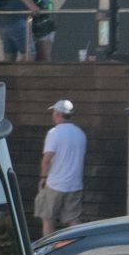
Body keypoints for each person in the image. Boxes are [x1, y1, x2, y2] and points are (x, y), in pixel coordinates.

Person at [33, 99, 86, 233]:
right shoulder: (80, 133)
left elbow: (46, 159)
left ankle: (48, 249)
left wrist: (43, 178)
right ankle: (78, 249)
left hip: (55, 183)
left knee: (47, 217)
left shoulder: (54, 133)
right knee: (73, 219)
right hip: (75, 184)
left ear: (57, 114)